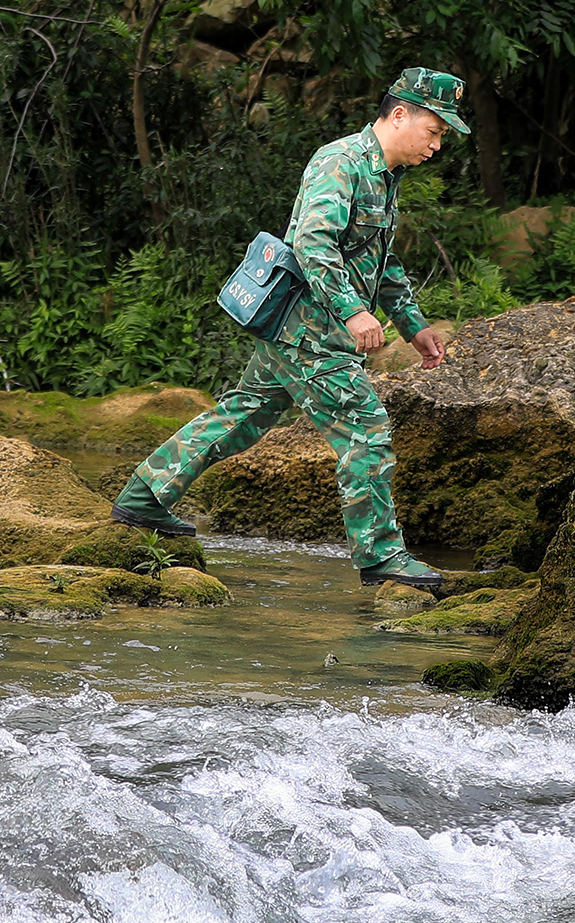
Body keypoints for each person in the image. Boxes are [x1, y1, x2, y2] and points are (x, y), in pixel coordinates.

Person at [108, 67, 468, 590]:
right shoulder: (342, 162)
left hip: (302, 328)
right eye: (434, 131)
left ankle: (144, 497)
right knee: (366, 430)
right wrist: (352, 312)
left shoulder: (385, 176)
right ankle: (382, 559)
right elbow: (313, 244)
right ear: (399, 115)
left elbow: (380, 261)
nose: (437, 145)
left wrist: (413, 325)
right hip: (310, 330)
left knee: (245, 413)